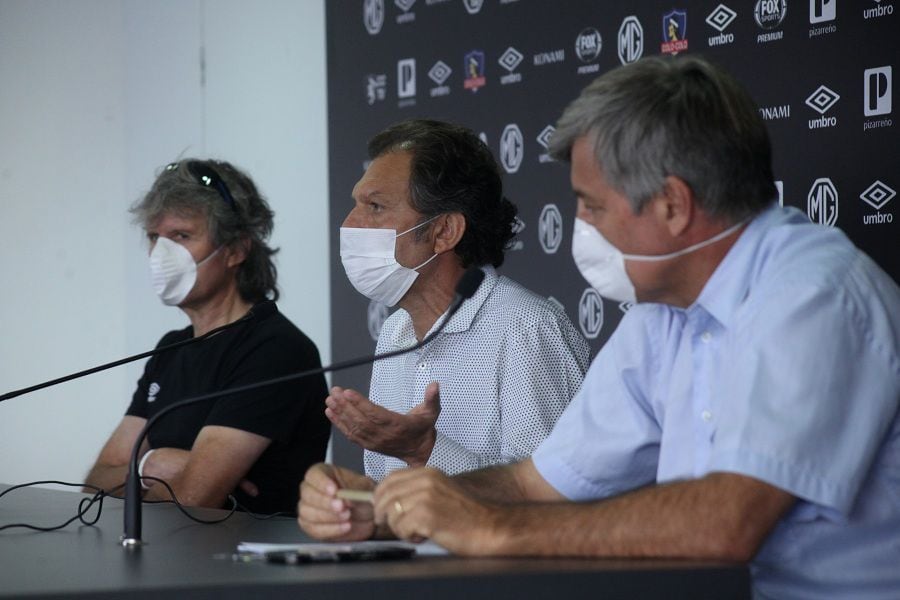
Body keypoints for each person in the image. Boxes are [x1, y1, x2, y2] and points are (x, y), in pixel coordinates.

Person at [300, 57, 900, 598]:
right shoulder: (663, 313)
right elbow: (540, 482)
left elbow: (727, 524)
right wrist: (383, 508)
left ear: (671, 204)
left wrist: (490, 529)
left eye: (593, 206)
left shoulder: (812, 295)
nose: (579, 227)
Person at [302, 119, 589, 527]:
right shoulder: (395, 333)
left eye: (375, 207)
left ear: (443, 232)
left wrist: (425, 452)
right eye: (356, 204)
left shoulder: (526, 327)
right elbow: (398, 508)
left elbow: (559, 502)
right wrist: (348, 504)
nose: (349, 224)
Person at [84, 159, 330, 515]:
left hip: (248, 564)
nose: (161, 254)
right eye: (155, 237)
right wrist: (150, 463)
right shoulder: (171, 348)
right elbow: (94, 482)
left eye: (182, 236)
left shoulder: (275, 348)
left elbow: (195, 500)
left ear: (235, 250)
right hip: (167, 558)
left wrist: (146, 476)